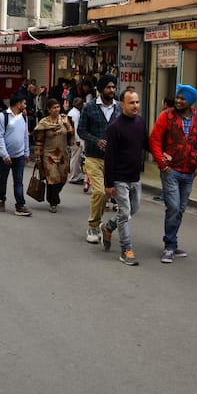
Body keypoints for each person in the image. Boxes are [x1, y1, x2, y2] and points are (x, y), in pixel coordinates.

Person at [149, 84, 197, 263]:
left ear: (190, 101)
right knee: (173, 207)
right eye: (178, 97)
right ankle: (169, 246)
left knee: (180, 209)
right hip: (171, 170)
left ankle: (172, 242)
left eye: (183, 98)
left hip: (189, 171)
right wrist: (161, 163)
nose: (178, 101)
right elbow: (155, 139)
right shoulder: (166, 116)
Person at [98, 90, 150, 265]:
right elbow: (109, 156)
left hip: (135, 177)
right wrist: (109, 183)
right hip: (119, 177)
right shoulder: (115, 127)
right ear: (122, 105)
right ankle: (126, 249)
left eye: (137, 102)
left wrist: (161, 154)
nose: (135, 106)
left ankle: (108, 227)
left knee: (132, 210)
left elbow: (145, 143)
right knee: (125, 212)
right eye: (131, 103)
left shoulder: (140, 122)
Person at [77, 74, 121, 243]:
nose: (112, 90)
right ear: (101, 89)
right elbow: (81, 131)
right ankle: (93, 226)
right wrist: (96, 140)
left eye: (113, 87)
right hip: (93, 157)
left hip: (113, 159)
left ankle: (100, 222)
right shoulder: (89, 107)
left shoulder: (119, 108)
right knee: (99, 191)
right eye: (109, 87)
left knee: (108, 194)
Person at [33, 98, 74, 213]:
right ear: (49, 110)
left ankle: (52, 196)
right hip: (48, 155)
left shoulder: (65, 120)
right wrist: (37, 157)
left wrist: (67, 125)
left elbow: (71, 136)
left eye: (58, 107)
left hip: (63, 155)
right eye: (54, 108)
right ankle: (53, 202)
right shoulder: (44, 123)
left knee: (62, 178)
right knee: (53, 178)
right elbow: (39, 141)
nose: (57, 110)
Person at [0, 94, 32, 216]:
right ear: (18, 104)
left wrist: (26, 152)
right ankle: (1, 199)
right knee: (3, 179)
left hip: (19, 156)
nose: (25, 106)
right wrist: (4, 155)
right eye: (24, 103)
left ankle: (20, 205)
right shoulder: (2, 117)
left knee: (18, 180)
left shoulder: (23, 117)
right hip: (4, 157)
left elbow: (25, 135)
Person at [153, 96, 174, 201]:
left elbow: (157, 135)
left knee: (165, 173)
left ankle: (166, 195)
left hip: (165, 149)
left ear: (165, 104)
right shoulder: (177, 115)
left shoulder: (165, 115)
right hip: (172, 150)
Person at [66, 97, 85, 184]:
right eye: (81, 104)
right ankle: (74, 177)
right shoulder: (76, 114)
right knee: (75, 158)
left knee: (75, 158)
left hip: (72, 138)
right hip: (75, 139)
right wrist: (78, 140)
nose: (82, 105)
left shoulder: (72, 112)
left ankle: (76, 175)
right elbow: (76, 128)